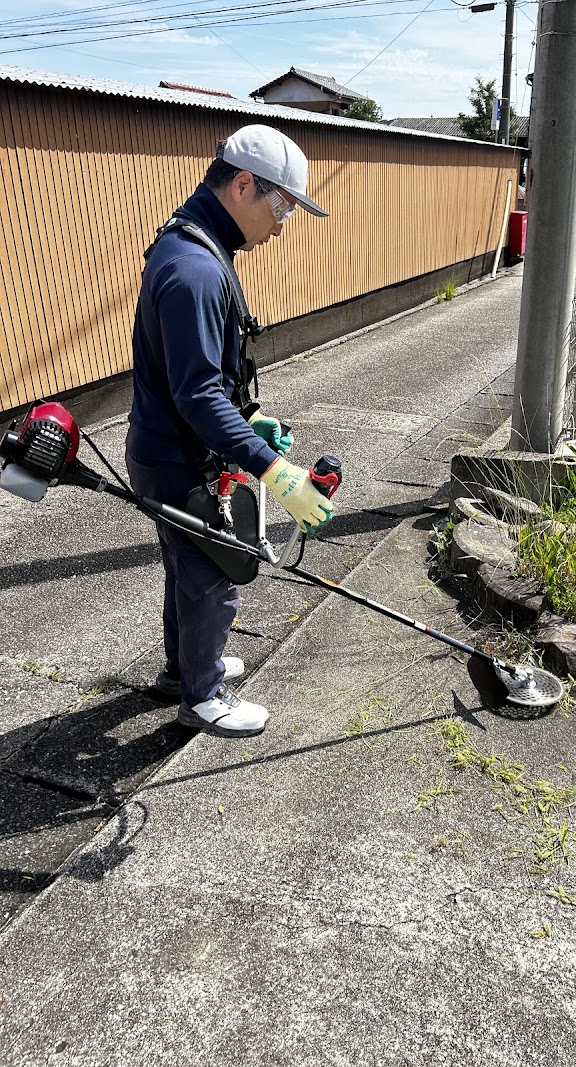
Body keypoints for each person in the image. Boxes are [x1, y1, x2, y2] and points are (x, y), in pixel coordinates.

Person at [126, 124, 333, 739]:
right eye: (283, 204)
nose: (284, 221)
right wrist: (277, 470)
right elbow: (197, 394)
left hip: (166, 448)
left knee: (186, 567)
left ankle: (184, 667)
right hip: (180, 458)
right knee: (216, 572)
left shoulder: (192, 244)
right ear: (243, 185)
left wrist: (246, 422)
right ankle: (204, 694)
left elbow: (196, 381)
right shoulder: (196, 269)